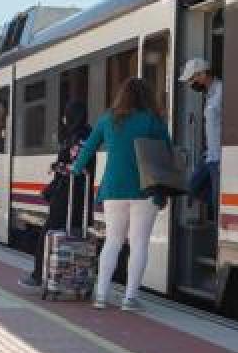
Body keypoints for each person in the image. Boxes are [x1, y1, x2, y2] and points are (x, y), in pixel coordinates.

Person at [72, 77, 171, 311]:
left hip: (113, 189)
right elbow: (166, 154)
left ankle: (101, 296)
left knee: (113, 241)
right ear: (147, 97)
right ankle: (129, 299)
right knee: (139, 243)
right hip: (145, 189)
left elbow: (88, 147)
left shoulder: (108, 118)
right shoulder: (153, 120)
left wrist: (76, 169)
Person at [20, 100, 92, 288]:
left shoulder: (78, 137)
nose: (63, 119)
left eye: (66, 115)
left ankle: (39, 275)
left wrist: (56, 166)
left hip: (68, 196)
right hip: (80, 196)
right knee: (75, 236)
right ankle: (73, 280)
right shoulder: (86, 134)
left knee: (48, 234)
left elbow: (74, 166)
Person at [180, 57, 222, 214]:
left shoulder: (221, 91)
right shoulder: (210, 94)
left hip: (218, 157)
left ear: (203, 74)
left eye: (192, 79)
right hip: (209, 155)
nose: (190, 84)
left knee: (217, 202)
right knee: (192, 188)